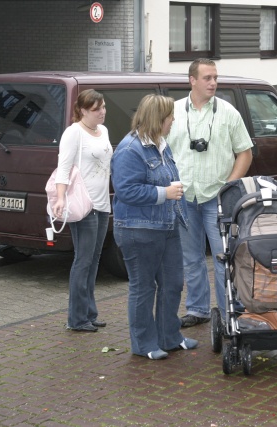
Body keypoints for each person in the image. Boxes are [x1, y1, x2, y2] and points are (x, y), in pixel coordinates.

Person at [111, 94, 198, 360]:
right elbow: (125, 190)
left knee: (173, 283)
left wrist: (172, 192)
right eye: (170, 117)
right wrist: (164, 193)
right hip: (138, 229)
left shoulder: (161, 144)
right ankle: (144, 344)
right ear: (158, 119)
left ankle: (170, 337)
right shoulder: (129, 150)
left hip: (166, 225)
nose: (173, 121)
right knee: (144, 286)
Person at [167, 58, 254, 327]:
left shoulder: (228, 113)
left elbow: (245, 153)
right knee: (191, 258)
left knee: (224, 257)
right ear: (192, 80)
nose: (213, 82)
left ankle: (231, 310)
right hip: (184, 198)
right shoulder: (173, 112)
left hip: (217, 200)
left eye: (215, 77)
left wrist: (229, 186)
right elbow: (162, 150)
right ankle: (198, 310)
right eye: (207, 78)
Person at [53, 89, 113, 333]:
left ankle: (90, 312)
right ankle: (76, 319)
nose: (102, 112)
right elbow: (63, 168)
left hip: (102, 204)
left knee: (94, 260)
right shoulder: (73, 132)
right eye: (97, 108)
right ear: (83, 110)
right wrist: (59, 198)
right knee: (83, 260)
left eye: (104, 106)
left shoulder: (104, 131)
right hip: (84, 205)